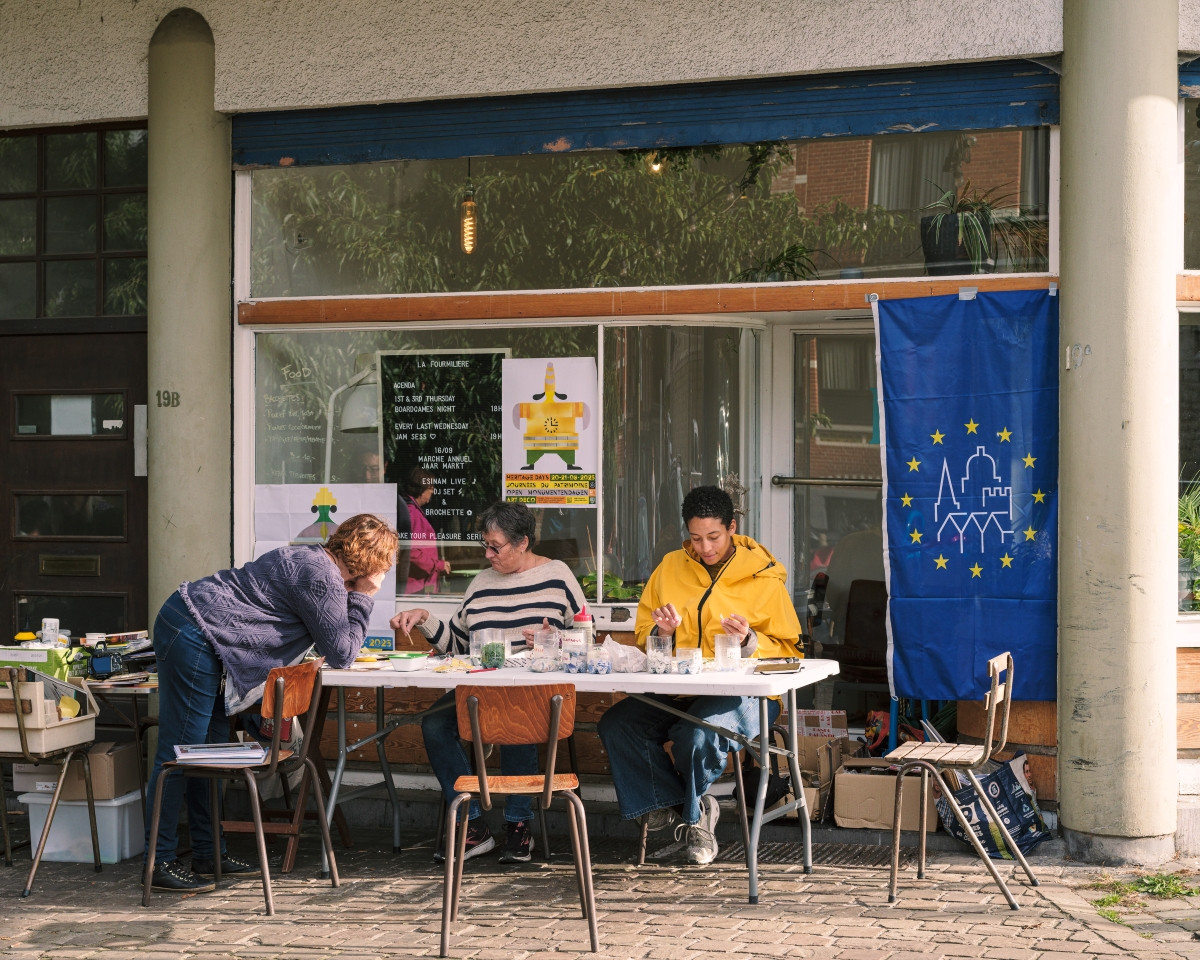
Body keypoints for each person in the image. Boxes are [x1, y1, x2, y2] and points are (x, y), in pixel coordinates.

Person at [144, 513, 399, 894]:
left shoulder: (310, 559)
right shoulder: (322, 577)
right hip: (194, 633)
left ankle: (209, 853)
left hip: (195, 628)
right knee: (180, 753)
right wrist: (364, 595)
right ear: (370, 562)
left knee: (208, 752)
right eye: (383, 566)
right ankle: (159, 863)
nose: (384, 573)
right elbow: (343, 652)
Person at [597, 485, 803, 865]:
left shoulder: (763, 577)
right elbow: (644, 633)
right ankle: (685, 806)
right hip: (680, 688)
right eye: (695, 538)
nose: (705, 547)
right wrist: (662, 633)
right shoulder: (669, 568)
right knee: (618, 725)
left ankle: (690, 817)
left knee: (695, 735)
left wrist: (750, 641)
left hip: (746, 695)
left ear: (732, 527)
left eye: (714, 536)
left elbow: (791, 650)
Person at [391, 500, 586, 865]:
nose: (487, 554)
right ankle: (473, 825)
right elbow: (459, 645)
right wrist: (425, 617)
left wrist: (553, 641)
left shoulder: (558, 577)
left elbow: (587, 640)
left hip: (535, 692)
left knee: (516, 720)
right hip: (481, 689)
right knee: (434, 725)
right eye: (486, 545)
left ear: (523, 542)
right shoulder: (481, 583)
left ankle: (518, 825)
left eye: (496, 547)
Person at [402, 467, 450, 593]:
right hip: (417, 589)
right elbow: (410, 552)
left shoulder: (411, 511)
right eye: (431, 488)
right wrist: (438, 565)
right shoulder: (412, 513)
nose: (433, 491)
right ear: (421, 489)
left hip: (420, 586)